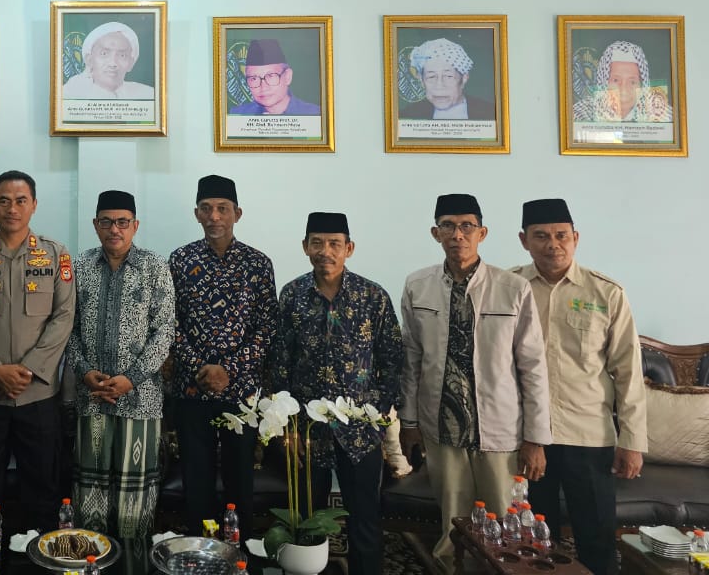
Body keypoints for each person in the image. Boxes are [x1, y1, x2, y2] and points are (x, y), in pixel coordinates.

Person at [398, 193, 552, 561]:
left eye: (467, 226)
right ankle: (450, 567)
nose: (458, 235)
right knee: (453, 520)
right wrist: (409, 422)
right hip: (442, 425)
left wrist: (536, 438)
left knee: (504, 519)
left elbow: (533, 366)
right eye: (448, 226)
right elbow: (411, 360)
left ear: (482, 233)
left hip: (499, 427)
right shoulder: (418, 285)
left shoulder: (512, 288)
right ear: (436, 233)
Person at [511, 198, 646, 575]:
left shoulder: (606, 293)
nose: (552, 244)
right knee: (531, 538)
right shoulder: (508, 287)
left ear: (576, 238)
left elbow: (628, 371)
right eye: (541, 236)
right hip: (525, 435)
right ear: (524, 240)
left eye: (561, 235)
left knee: (597, 535)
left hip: (587, 435)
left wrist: (632, 440)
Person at [273, 212, 402, 575]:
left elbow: (393, 359)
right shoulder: (292, 295)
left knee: (365, 519)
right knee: (306, 522)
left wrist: (377, 416)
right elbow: (280, 363)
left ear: (349, 248)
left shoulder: (373, 296)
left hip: (360, 431)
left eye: (334, 244)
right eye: (317, 243)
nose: (325, 251)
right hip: (307, 431)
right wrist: (287, 429)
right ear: (305, 247)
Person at [0, 170, 75, 533]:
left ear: (34, 205)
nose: (12, 208)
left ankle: (39, 554)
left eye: (21, 201)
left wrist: (29, 369)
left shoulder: (55, 255)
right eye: (4, 201)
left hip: (37, 395)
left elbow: (64, 317)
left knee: (43, 491)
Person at [169, 174, 279, 535]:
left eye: (222, 208)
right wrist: (201, 367)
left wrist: (228, 368)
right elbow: (169, 323)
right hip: (192, 389)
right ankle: (198, 550)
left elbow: (267, 327)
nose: (214, 216)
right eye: (206, 208)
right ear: (196, 214)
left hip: (241, 391)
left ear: (237, 213)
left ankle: (238, 549)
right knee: (196, 481)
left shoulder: (257, 263)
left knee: (239, 481)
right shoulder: (180, 260)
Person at [65, 190, 175, 538]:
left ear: (135, 225)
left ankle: (133, 559)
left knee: (134, 496)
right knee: (90, 491)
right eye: (107, 222)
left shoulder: (155, 266)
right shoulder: (80, 266)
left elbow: (165, 330)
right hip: (91, 397)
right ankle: (91, 558)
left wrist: (132, 378)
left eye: (123, 222)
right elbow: (67, 328)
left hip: (140, 400)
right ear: (95, 225)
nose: (115, 229)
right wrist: (84, 372)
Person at [571, 40, 673, 123]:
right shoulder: (584, 111)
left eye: (632, 82)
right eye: (616, 80)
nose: (624, 89)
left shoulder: (660, 111)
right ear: (605, 82)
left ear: (641, 85)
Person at [399, 38, 495, 120]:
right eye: (431, 77)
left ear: (464, 78)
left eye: (448, 76)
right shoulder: (407, 115)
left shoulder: (490, 113)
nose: (439, 86)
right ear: (421, 80)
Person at [228, 37, 320, 115]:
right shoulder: (238, 114)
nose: (263, 87)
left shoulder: (314, 114)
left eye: (271, 76)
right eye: (254, 78)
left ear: (287, 77)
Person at [62, 22, 155, 98]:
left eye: (122, 55)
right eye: (104, 54)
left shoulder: (148, 94)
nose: (113, 63)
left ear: (131, 63)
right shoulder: (69, 94)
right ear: (89, 60)